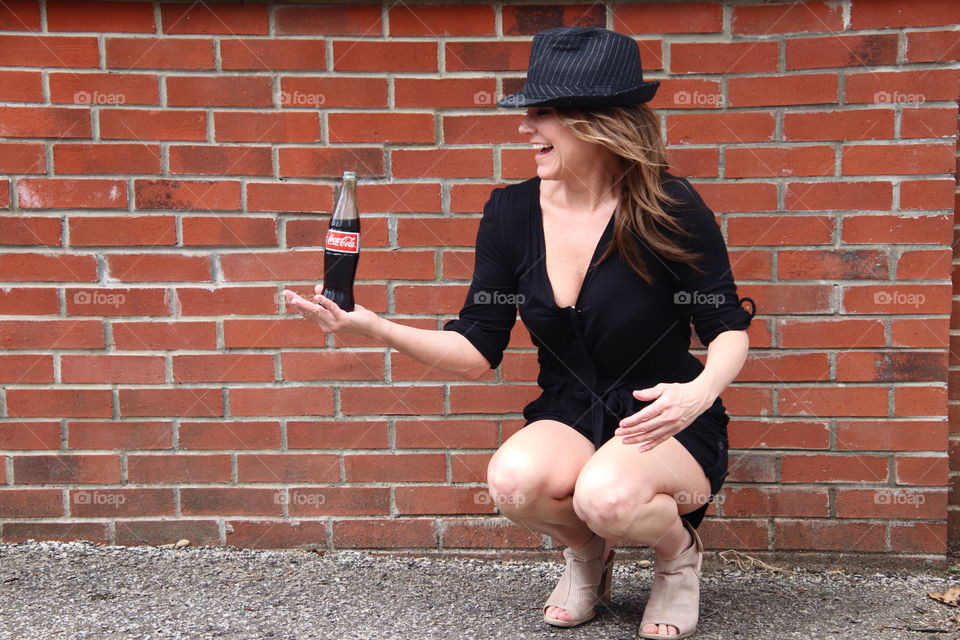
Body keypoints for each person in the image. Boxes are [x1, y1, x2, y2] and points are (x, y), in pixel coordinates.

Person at [283, 25, 755, 640]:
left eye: (543, 115)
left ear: (600, 122)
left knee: (609, 498)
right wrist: (374, 326)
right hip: (570, 409)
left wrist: (699, 393)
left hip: (662, 415)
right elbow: (478, 348)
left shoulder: (672, 206)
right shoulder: (509, 213)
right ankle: (588, 557)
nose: (525, 128)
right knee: (514, 483)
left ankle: (677, 558)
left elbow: (727, 328)